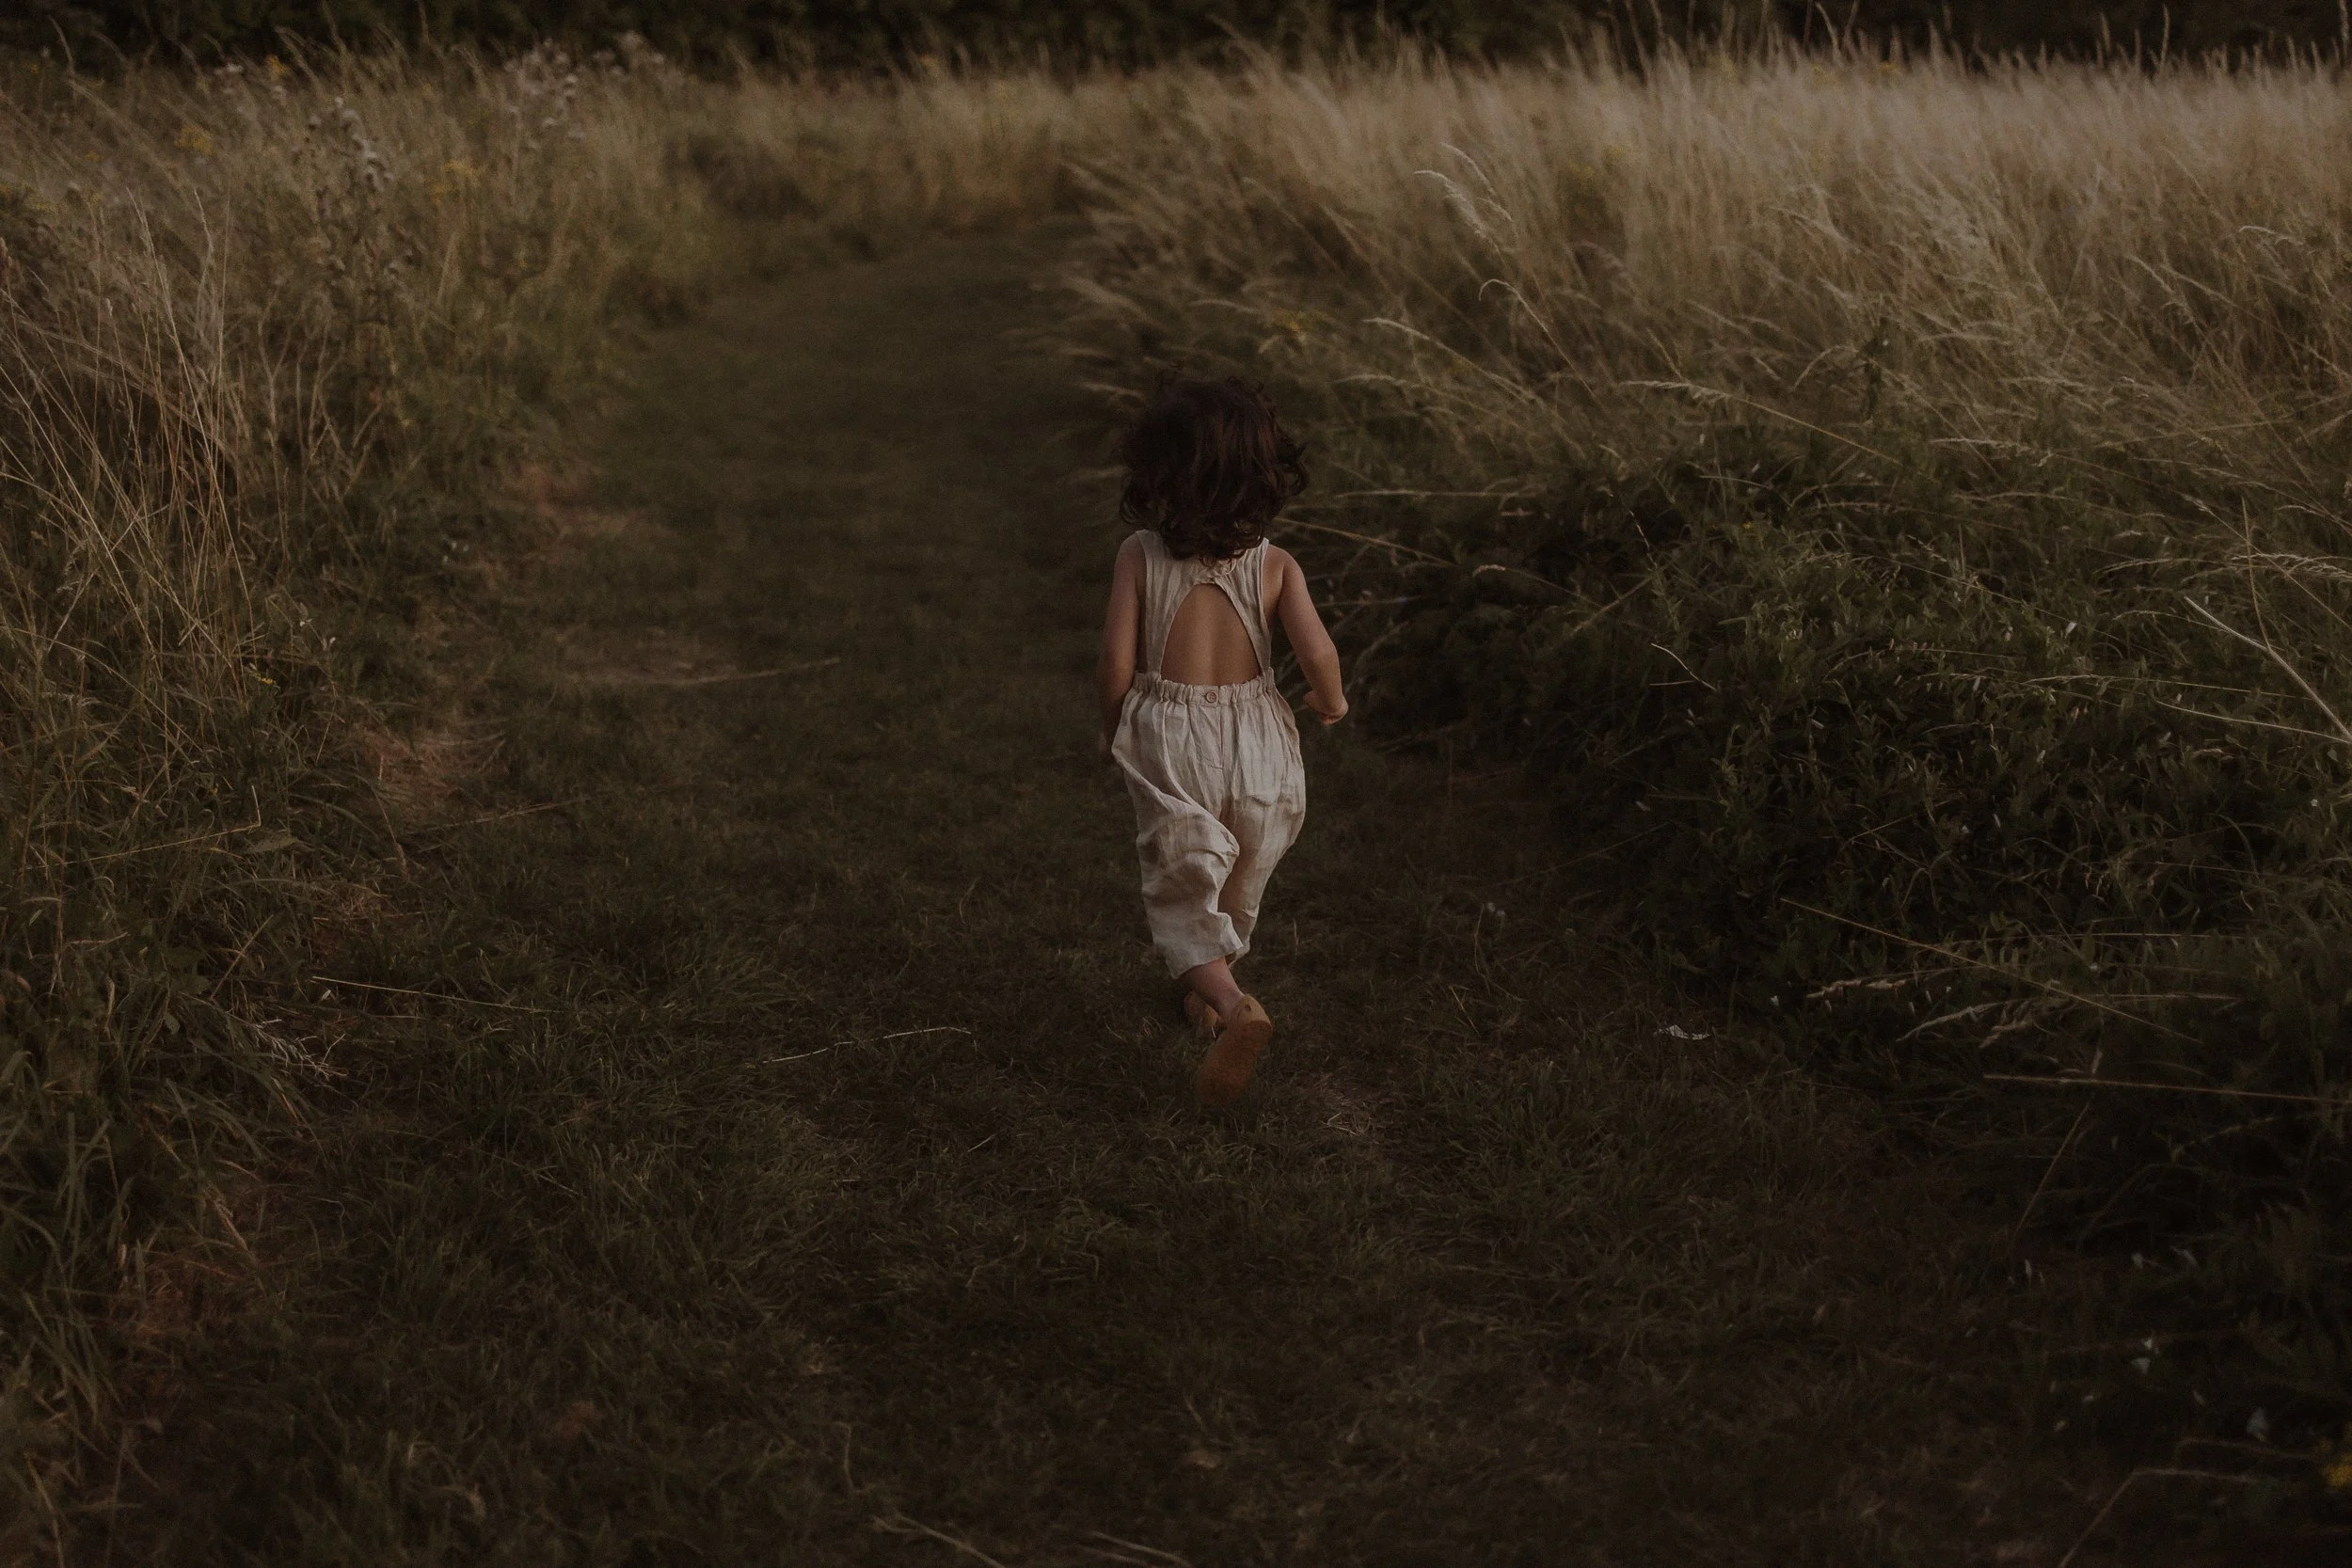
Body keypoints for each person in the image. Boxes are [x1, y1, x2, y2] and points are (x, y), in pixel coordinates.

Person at [1096, 378, 1347, 1105]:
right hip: (1263, 743)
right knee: (1237, 885)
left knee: (1180, 885)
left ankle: (1236, 1007)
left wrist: (1116, 729)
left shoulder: (1139, 555)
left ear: (1160, 477)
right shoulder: (1275, 564)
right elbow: (1319, 653)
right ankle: (1206, 999)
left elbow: (1115, 663)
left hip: (1174, 739)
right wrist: (1330, 702)